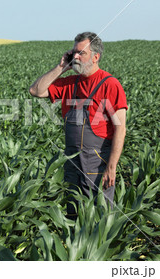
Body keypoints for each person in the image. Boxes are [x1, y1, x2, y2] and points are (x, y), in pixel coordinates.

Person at [29, 32, 128, 219]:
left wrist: (111, 167)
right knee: (74, 215)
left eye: (81, 53)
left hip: (98, 164)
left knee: (100, 218)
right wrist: (61, 67)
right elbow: (36, 90)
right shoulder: (69, 84)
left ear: (95, 56)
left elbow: (120, 129)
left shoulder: (110, 84)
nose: (75, 57)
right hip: (72, 164)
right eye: (73, 53)